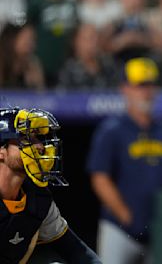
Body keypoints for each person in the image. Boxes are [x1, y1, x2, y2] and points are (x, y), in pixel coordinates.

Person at [87, 57, 162, 264]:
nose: (146, 92)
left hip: (159, 230)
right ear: (125, 89)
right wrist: (127, 217)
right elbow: (99, 178)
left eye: (150, 85)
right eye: (139, 86)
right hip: (119, 228)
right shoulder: (112, 130)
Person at [0, 106, 101, 263]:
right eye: (26, 139)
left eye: (37, 139)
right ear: (1, 151)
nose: (39, 146)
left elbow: (78, 253)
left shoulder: (36, 198)